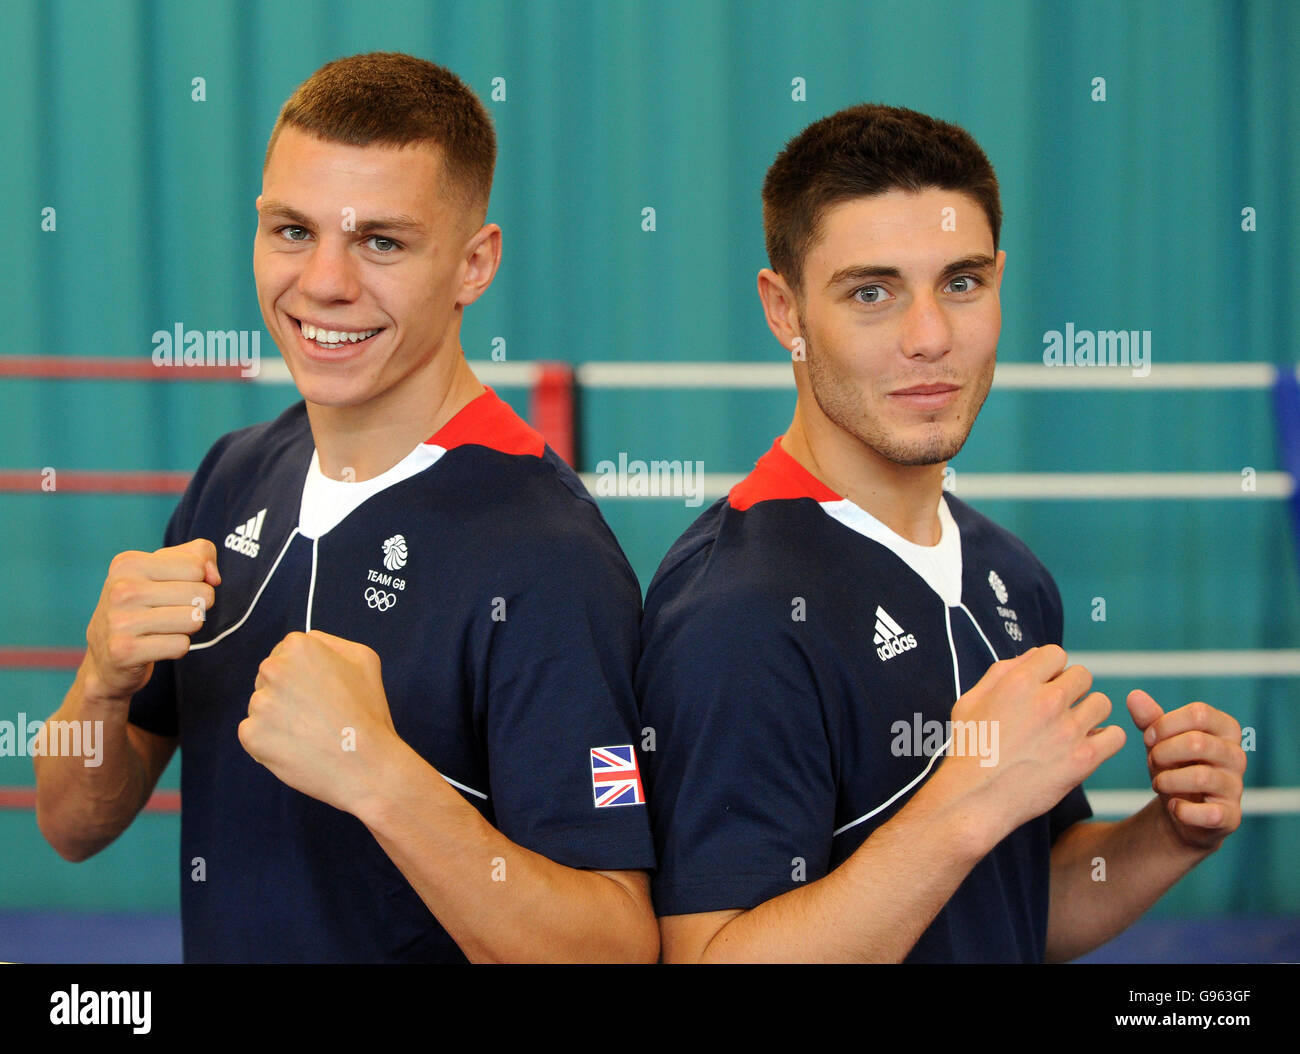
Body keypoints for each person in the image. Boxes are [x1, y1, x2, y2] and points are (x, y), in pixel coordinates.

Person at [34, 52, 658, 964]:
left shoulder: (548, 555)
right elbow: (72, 826)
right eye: (293, 230)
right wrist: (98, 679)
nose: (324, 283)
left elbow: (613, 944)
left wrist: (383, 781)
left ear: (474, 264)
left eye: (382, 242)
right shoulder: (235, 475)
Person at [636, 103, 1247, 963]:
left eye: (961, 284)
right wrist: (971, 800)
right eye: (872, 293)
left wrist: (1168, 838)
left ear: (999, 280)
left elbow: (1016, 913)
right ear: (785, 311)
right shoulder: (734, 610)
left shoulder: (1010, 574)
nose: (930, 338)